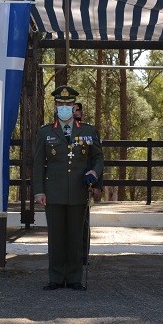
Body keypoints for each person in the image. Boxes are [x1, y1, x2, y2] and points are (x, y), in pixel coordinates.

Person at [33, 85, 104, 291]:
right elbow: (38, 164)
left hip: (78, 191)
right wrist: (39, 190)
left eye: (68, 104)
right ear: (55, 106)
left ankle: (74, 278)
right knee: (56, 237)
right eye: (60, 104)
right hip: (53, 192)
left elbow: (98, 158)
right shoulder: (45, 132)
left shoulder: (88, 131)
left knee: (75, 236)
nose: (64, 107)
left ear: (74, 107)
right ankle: (55, 277)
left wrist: (94, 174)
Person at [73, 101, 103, 266]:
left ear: (82, 113)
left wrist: (98, 185)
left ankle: (83, 256)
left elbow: (97, 159)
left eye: (78, 110)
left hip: (84, 183)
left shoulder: (89, 132)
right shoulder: (57, 131)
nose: (75, 113)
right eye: (73, 110)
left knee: (83, 223)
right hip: (64, 184)